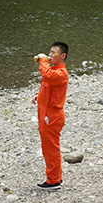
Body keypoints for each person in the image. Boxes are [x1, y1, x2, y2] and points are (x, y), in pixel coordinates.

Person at [31, 41, 69, 190]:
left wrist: (41, 59)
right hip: (46, 114)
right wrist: (38, 95)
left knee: (50, 149)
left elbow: (47, 76)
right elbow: (48, 86)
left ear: (63, 56)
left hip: (52, 117)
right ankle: (56, 177)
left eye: (54, 53)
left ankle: (53, 181)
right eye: (49, 52)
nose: (50, 55)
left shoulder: (60, 73)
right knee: (49, 147)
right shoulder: (54, 72)